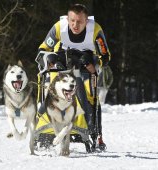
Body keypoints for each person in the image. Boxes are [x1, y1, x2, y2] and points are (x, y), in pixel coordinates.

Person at [38, 3, 111, 150]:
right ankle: (45, 127)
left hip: (85, 64)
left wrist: (94, 63)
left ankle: (94, 133)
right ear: (67, 18)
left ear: (87, 21)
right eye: (72, 20)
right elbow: (42, 50)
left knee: (89, 97)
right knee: (54, 92)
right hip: (62, 62)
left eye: (79, 21)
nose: (75, 25)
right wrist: (49, 59)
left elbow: (105, 56)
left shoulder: (95, 29)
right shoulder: (59, 27)